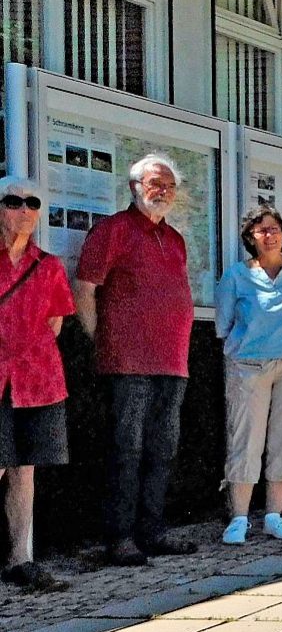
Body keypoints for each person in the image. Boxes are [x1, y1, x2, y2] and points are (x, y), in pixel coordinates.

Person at [75, 154, 198, 566]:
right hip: (126, 362)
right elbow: (85, 288)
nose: (162, 191)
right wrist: (100, 340)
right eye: (154, 183)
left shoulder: (175, 238)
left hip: (172, 361)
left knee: (162, 450)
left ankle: (153, 531)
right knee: (125, 450)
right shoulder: (113, 230)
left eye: (168, 185)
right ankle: (120, 537)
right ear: (134, 187)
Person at [215, 208, 282, 545]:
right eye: (261, 230)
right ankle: (239, 518)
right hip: (249, 367)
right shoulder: (236, 276)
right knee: (245, 439)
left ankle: (275, 516)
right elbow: (223, 325)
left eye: (275, 229)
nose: (269, 235)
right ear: (250, 237)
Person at [0, 177, 72, 591]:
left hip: (37, 380)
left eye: (32, 203)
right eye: (13, 202)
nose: (24, 210)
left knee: (24, 470)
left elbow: (55, 324)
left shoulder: (49, 266)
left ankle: (20, 559)